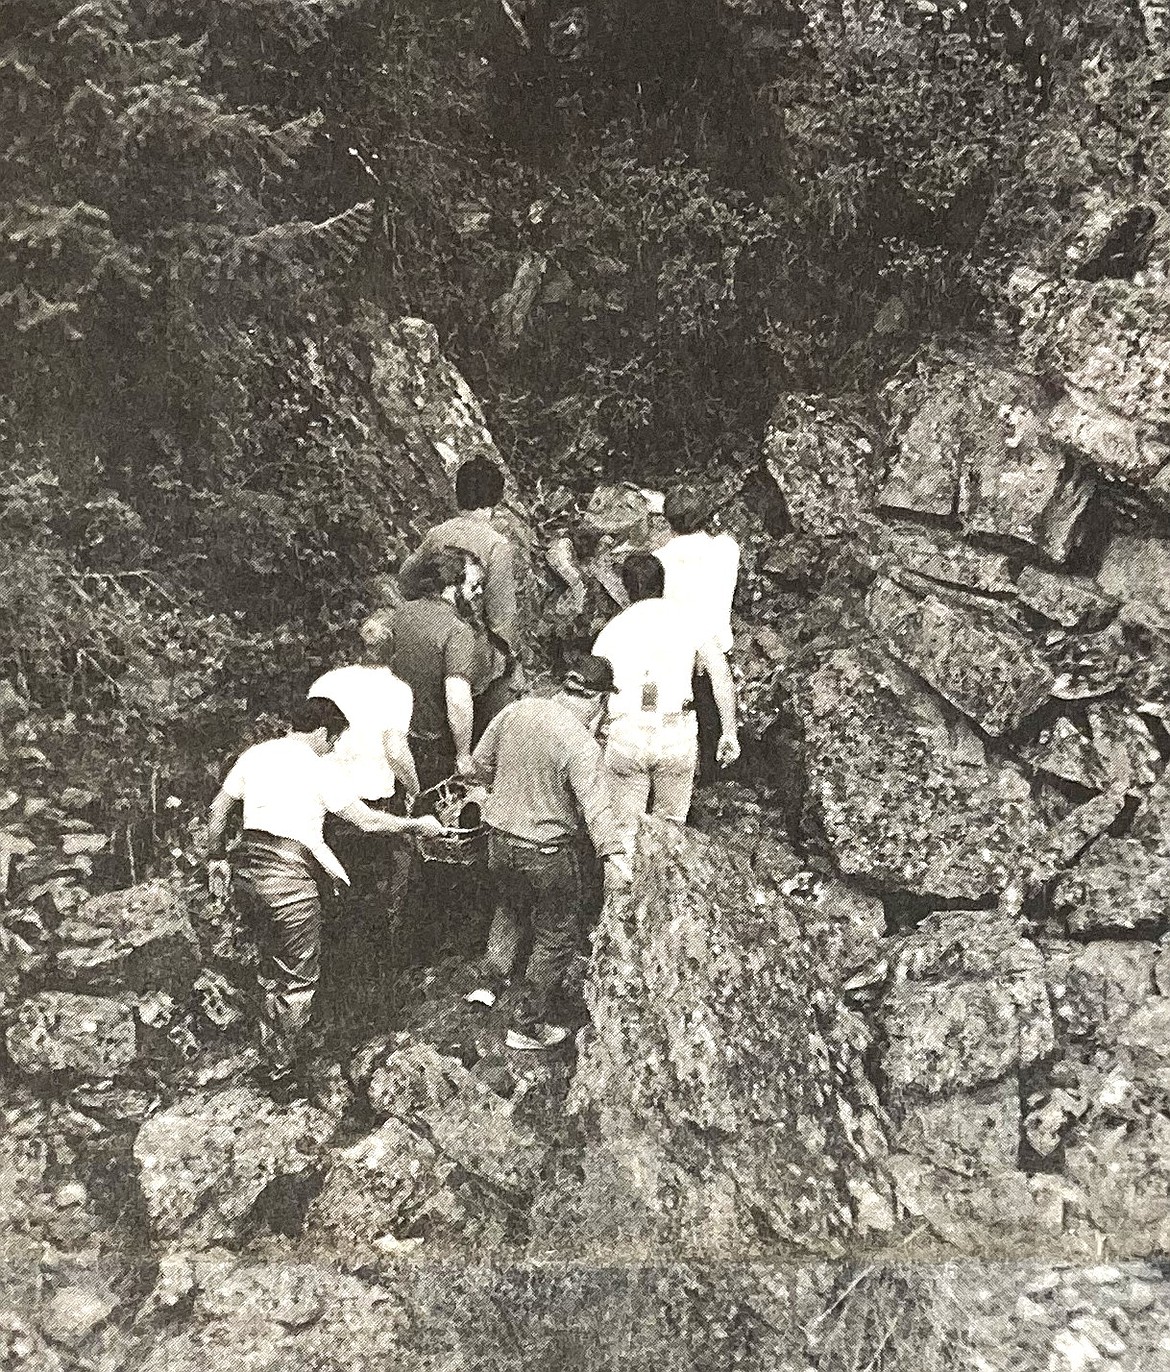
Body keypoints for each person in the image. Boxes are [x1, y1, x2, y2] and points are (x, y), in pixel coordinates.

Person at [205, 698, 446, 1102]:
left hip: (247, 870)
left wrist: (216, 858)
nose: (334, 748)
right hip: (287, 880)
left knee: (272, 962)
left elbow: (219, 809)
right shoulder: (318, 768)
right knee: (298, 978)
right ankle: (279, 1074)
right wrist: (416, 824)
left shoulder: (256, 754)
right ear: (320, 732)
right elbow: (366, 820)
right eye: (334, 740)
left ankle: (279, 1044)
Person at [470, 655, 632, 1050]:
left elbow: (478, 765)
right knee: (557, 932)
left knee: (509, 908)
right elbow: (595, 807)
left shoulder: (516, 711)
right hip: (544, 851)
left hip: (498, 841)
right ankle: (526, 1026)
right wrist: (613, 856)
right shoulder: (580, 743)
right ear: (596, 701)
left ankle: (488, 987)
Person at [592, 552, 739, 850]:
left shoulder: (611, 631)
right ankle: (666, 894)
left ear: (626, 589)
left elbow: (596, 690)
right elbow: (720, 674)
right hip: (676, 731)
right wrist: (729, 732)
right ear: (663, 583)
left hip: (628, 731)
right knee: (670, 832)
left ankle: (624, 891)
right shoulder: (688, 619)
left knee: (623, 834)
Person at [419, 456, 522, 733]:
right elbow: (502, 618)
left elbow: (407, 581)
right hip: (469, 648)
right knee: (511, 679)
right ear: (496, 498)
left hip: (431, 637)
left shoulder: (437, 534)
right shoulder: (496, 545)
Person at [308, 659, 418, 918]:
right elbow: (395, 750)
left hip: (325, 804)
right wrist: (415, 789)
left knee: (333, 891)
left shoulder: (326, 682)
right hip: (370, 807)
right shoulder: (396, 689)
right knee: (375, 898)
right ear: (392, 652)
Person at [379, 545, 490, 793]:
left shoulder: (402, 613)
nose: (479, 592)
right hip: (430, 743)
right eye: (474, 586)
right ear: (451, 586)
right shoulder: (458, 630)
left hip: (390, 734)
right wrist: (463, 754)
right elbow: (458, 699)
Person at [654, 483, 741, 785]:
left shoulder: (660, 559)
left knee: (671, 735)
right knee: (712, 733)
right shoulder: (728, 549)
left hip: (673, 657)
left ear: (668, 521)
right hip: (714, 654)